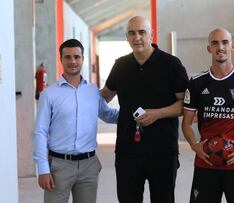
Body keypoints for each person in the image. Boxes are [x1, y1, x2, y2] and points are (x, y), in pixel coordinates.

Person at [101, 16, 189, 203]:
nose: (137, 37)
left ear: (151, 34)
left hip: (163, 151)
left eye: (142, 32)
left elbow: (185, 104)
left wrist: (157, 114)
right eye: (132, 33)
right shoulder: (120, 65)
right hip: (127, 151)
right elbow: (104, 96)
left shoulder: (171, 64)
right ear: (126, 37)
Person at [32, 39, 119, 203]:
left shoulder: (93, 91)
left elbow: (109, 115)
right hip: (59, 166)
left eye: (77, 57)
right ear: (61, 59)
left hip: (89, 166)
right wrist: (43, 169)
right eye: (68, 57)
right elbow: (40, 133)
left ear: (83, 59)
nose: (73, 61)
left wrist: (136, 114)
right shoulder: (49, 94)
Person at [182, 28, 234, 203]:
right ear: (209, 48)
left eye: (224, 42)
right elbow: (186, 124)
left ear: (233, 46)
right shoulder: (196, 83)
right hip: (206, 161)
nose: (220, 47)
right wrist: (195, 146)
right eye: (215, 43)